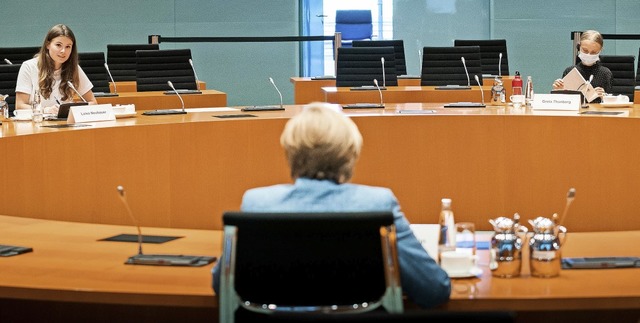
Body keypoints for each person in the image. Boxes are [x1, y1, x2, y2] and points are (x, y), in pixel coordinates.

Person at [212, 102, 451, 309]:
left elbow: (220, 284)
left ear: (290, 152)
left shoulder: (258, 203)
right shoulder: (377, 204)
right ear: (350, 154)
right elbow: (433, 290)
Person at [15, 24, 96, 114]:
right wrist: (46, 111)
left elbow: (92, 102)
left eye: (68, 46)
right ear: (48, 45)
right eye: (58, 45)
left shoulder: (74, 68)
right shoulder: (29, 67)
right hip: (36, 123)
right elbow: (20, 106)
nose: (63, 51)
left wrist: (75, 109)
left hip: (65, 124)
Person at [552, 30, 612, 103]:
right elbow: (562, 102)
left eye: (593, 52)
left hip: (596, 113)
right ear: (579, 47)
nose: (588, 55)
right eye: (585, 51)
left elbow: (612, 103)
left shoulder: (605, 73)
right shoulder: (570, 71)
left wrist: (604, 97)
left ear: (600, 51)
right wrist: (559, 91)